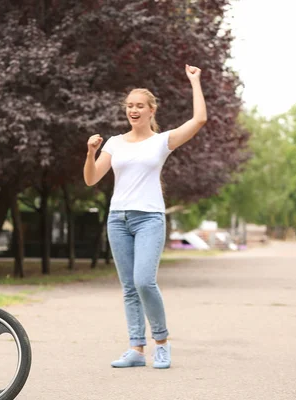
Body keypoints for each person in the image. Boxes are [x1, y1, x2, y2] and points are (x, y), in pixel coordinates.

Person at [83, 65, 207, 369]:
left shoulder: (161, 141)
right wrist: (90, 153)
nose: (133, 110)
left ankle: (161, 343)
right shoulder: (114, 143)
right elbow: (91, 179)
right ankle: (136, 349)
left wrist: (195, 81)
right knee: (128, 286)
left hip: (149, 218)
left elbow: (199, 119)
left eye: (139, 105)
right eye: (129, 106)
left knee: (144, 281)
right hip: (118, 220)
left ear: (151, 110)